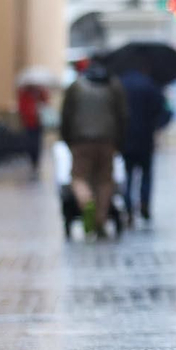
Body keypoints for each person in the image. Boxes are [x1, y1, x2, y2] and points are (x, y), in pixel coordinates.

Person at [59, 60, 127, 238]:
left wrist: (67, 139)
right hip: (107, 140)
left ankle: (86, 201)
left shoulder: (76, 87)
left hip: (81, 140)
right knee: (105, 181)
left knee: (79, 177)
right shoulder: (113, 86)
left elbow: (66, 115)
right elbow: (122, 115)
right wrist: (119, 141)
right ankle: (100, 220)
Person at [118, 65, 172, 224]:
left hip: (126, 138)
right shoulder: (151, 86)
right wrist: (157, 126)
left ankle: (127, 205)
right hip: (145, 138)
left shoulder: (121, 85)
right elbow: (166, 112)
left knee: (127, 174)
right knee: (146, 174)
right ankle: (144, 204)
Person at [16, 76, 49, 173]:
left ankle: (36, 161)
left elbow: (46, 102)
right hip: (29, 122)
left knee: (37, 142)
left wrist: (40, 93)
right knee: (30, 142)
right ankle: (32, 160)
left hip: (39, 121)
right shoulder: (24, 94)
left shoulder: (40, 92)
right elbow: (21, 107)